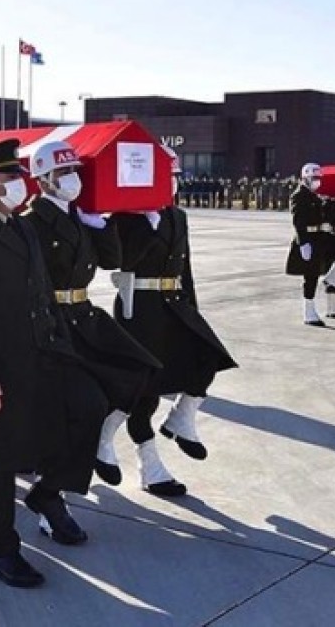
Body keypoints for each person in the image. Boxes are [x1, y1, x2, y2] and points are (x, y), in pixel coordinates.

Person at [0, 138, 109, 588]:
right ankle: (3, 551)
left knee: (90, 406)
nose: (19, 183)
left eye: (18, 175)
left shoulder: (20, 227)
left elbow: (41, 294)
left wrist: (60, 343)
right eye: (8, 177)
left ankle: (47, 493)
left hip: (42, 355)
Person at [19, 140, 161, 497]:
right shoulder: (30, 222)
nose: (71, 179)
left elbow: (113, 261)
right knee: (72, 407)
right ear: (43, 179)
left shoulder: (81, 215)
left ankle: (103, 440)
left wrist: (99, 226)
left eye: (74, 171)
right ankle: (53, 494)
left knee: (143, 371)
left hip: (84, 315)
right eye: (62, 172)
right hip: (53, 322)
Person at [110, 147, 238, 497]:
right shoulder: (126, 216)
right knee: (144, 392)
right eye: (165, 178)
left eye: (174, 178)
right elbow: (121, 261)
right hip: (140, 310)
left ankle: (181, 418)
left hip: (174, 305)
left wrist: (193, 310)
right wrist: (144, 223)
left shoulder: (178, 216)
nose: (172, 185)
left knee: (208, 356)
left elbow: (186, 269)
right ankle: (150, 466)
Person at [286, 163, 329, 326]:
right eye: (314, 178)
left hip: (317, 238)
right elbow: (298, 221)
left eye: (318, 178)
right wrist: (303, 242)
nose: (317, 181)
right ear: (305, 178)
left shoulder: (313, 195)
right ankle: (308, 311)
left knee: (314, 275)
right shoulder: (299, 195)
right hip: (308, 240)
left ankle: (312, 309)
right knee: (310, 277)